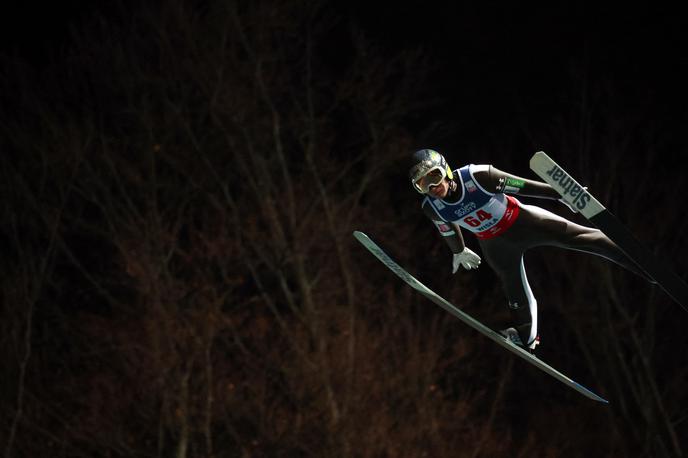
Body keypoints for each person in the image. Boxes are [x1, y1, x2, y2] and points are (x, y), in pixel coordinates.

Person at [408, 148, 653, 351]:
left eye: (434, 176)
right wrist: (458, 250)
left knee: (587, 239)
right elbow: (447, 229)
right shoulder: (432, 207)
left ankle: (645, 266)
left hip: (523, 223)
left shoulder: (478, 177)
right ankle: (526, 336)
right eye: (422, 184)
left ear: (446, 169)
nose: (432, 186)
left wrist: (559, 194)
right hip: (495, 244)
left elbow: (522, 186)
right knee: (513, 289)